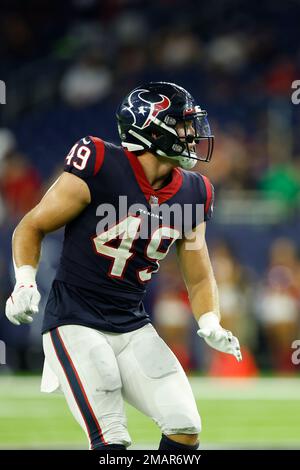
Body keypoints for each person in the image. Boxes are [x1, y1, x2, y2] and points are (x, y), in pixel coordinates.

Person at [5, 82, 242, 451]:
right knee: (111, 441)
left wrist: (210, 320)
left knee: (185, 427)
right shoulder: (100, 162)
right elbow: (31, 226)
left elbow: (199, 274)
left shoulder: (195, 191)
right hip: (74, 321)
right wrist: (24, 282)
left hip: (132, 324)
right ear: (151, 127)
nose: (193, 134)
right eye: (183, 125)